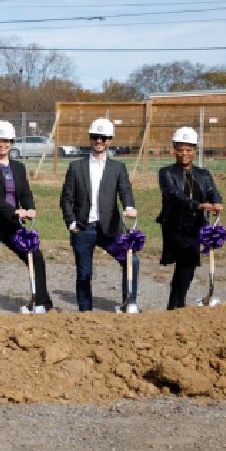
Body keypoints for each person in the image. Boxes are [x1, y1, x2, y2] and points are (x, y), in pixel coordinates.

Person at [0, 121, 54, 314]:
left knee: (35, 256)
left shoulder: (19, 167)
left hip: (11, 225)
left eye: (6, 141)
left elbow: (25, 191)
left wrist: (30, 208)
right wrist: (13, 211)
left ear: (11, 142)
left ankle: (42, 303)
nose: (2, 145)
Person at [59, 117, 139, 312]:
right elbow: (66, 199)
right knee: (84, 273)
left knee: (131, 261)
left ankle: (129, 302)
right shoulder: (75, 167)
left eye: (103, 138)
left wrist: (129, 206)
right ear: (90, 138)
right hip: (83, 229)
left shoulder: (118, 168)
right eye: (96, 137)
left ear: (110, 140)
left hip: (110, 229)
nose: (99, 141)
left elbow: (125, 191)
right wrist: (71, 223)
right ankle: (85, 312)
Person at [157, 126, 223, 310]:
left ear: (194, 151)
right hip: (175, 227)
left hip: (196, 227)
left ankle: (176, 305)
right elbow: (173, 194)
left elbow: (212, 192)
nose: (184, 154)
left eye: (188, 150)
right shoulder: (166, 172)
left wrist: (217, 203)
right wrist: (198, 205)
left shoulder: (204, 174)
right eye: (180, 150)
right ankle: (176, 306)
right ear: (174, 150)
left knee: (187, 268)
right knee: (186, 262)